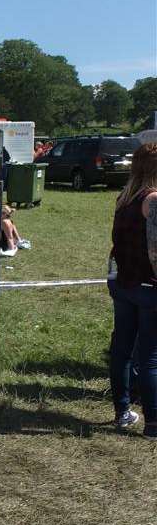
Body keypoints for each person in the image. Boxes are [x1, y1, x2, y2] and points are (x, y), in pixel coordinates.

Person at [108, 142, 157, 438]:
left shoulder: (123, 198)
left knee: (122, 351)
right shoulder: (152, 200)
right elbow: (156, 250)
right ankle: (153, 423)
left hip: (122, 283)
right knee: (150, 357)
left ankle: (122, 411)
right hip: (146, 286)